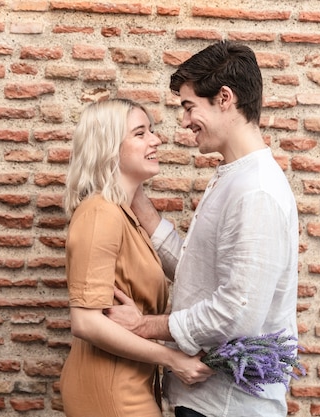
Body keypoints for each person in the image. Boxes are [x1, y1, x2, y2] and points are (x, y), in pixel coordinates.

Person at [104, 41, 300, 417]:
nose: (183, 120)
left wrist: (144, 326)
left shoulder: (256, 190)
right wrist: (136, 196)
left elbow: (237, 313)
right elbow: (198, 270)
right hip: (205, 400)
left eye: (189, 106)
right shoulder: (235, 177)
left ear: (224, 98)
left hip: (227, 405)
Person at [59, 99, 213, 417]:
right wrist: (171, 358)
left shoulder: (123, 214)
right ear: (109, 146)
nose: (155, 140)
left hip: (132, 382)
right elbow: (85, 321)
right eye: (140, 133)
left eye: (151, 131)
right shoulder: (101, 213)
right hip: (110, 391)